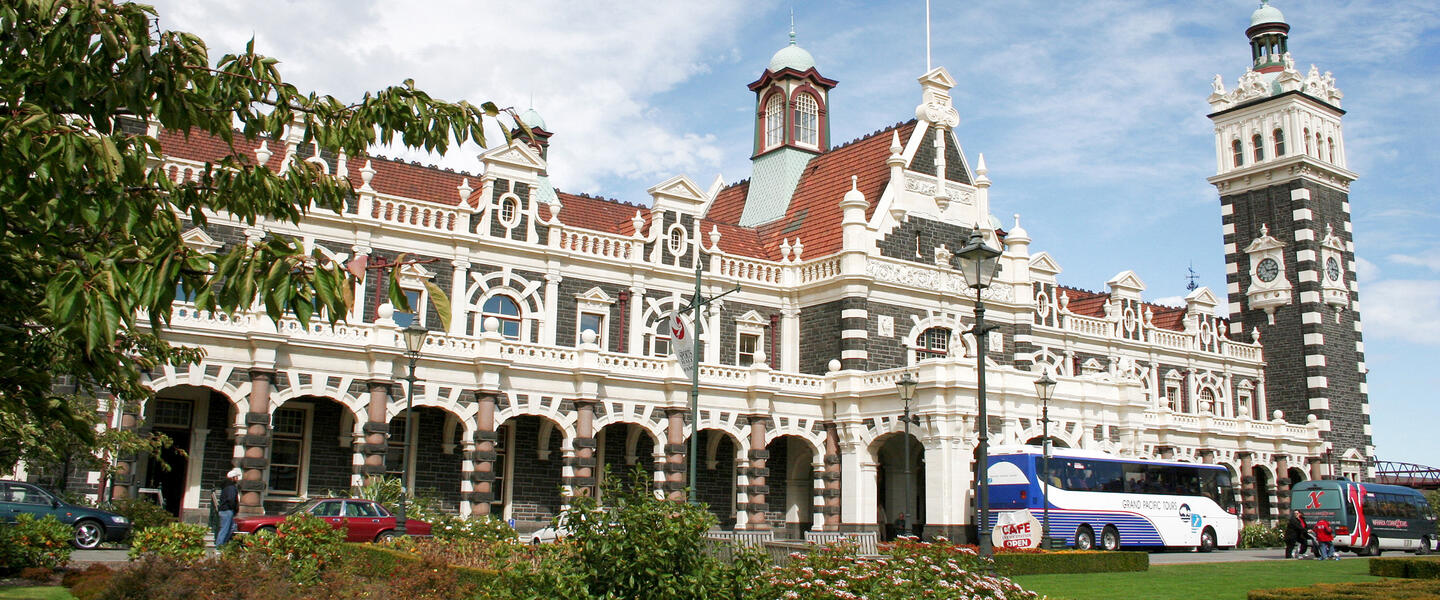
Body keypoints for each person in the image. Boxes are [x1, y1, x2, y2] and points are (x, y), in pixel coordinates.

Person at [214, 468, 241, 547]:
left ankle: (223, 544)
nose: (237, 479)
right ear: (232, 478)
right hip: (227, 510)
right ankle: (219, 546)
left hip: (226, 510)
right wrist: (234, 508)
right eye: (236, 477)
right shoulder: (231, 487)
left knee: (232, 527)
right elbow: (230, 499)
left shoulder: (227, 486)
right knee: (225, 529)